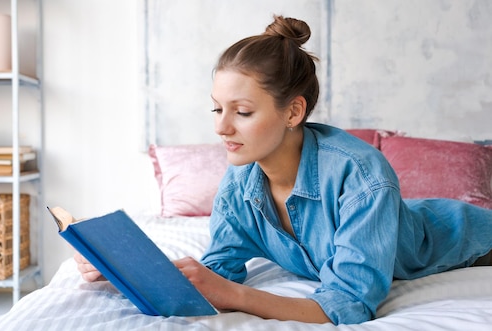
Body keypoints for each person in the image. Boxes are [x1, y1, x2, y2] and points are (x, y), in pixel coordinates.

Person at [75, 15, 492, 324]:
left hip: (476, 245)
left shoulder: (361, 177)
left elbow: (347, 305)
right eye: (217, 108)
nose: (220, 127)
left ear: (294, 111)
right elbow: (216, 271)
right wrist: (121, 270)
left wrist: (236, 295)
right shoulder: (240, 184)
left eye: (242, 111)